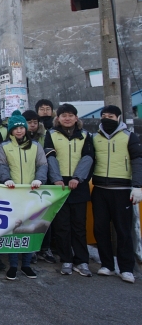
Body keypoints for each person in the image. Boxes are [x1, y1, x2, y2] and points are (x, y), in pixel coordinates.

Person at [91, 105, 142, 283]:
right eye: (104, 116)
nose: (107, 119)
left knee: (123, 230)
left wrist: (138, 185)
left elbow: (137, 160)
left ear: (118, 118)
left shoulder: (129, 137)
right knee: (101, 228)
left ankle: (126, 268)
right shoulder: (94, 137)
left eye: (111, 116)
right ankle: (107, 265)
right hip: (100, 190)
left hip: (122, 190)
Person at [0, 110, 47, 281]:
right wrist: (6, 180)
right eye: (15, 128)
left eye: (21, 128)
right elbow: (1, 166)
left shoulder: (35, 146)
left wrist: (40, 179)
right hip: (12, 193)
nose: (19, 131)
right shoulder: (4, 147)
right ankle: (13, 265)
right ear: (10, 130)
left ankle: (26, 264)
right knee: (13, 229)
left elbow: (42, 165)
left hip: (32, 193)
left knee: (31, 229)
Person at [45, 103, 94, 277]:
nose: (67, 118)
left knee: (79, 226)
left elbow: (88, 157)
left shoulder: (86, 135)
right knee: (62, 225)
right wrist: (57, 178)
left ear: (76, 117)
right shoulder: (50, 134)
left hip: (78, 185)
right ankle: (66, 259)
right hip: (59, 185)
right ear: (58, 118)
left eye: (70, 115)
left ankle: (82, 261)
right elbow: (50, 157)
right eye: (63, 115)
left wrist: (77, 178)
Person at [22, 109, 55, 264]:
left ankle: (43, 248)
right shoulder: (10, 142)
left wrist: (40, 179)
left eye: (35, 122)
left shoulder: (43, 138)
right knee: (22, 221)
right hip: (19, 187)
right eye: (29, 122)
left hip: (40, 186)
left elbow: (44, 163)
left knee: (42, 219)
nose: (32, 125)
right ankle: (27, 250)